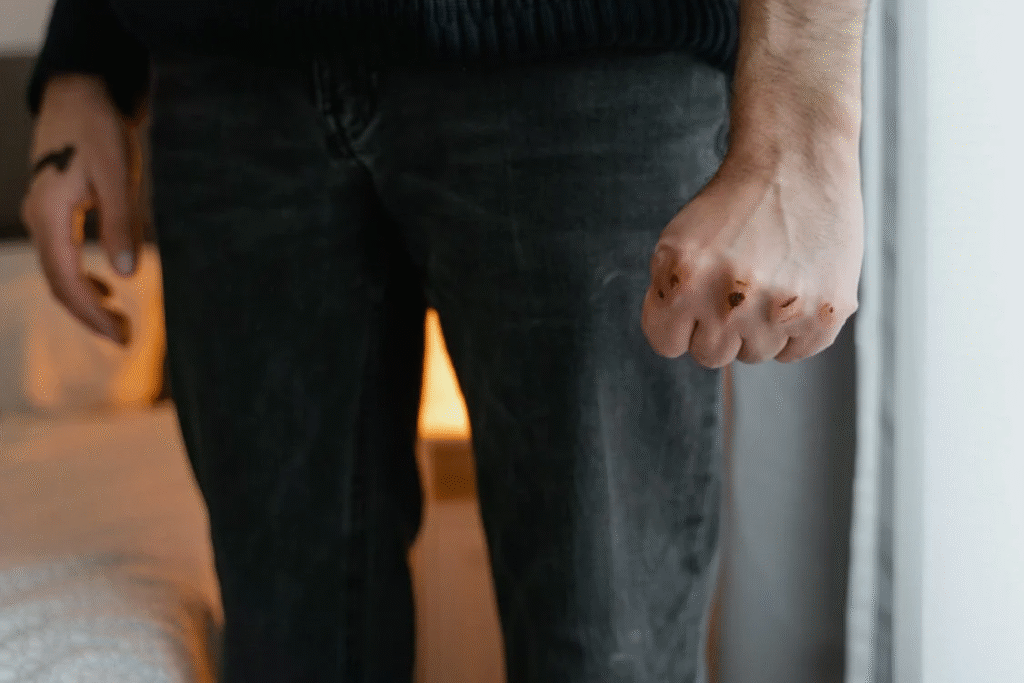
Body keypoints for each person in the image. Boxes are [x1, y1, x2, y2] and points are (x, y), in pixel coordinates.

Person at [20, 0, 866, 681]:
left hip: (586, 56)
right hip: (226, 68)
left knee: (609, 644)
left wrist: (805, 135)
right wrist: (86, 51)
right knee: (288, 644)